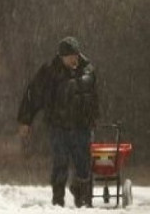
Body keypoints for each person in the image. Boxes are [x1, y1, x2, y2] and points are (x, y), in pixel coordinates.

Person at [17, 36, 99, 207]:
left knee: (84, 164)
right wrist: (26, 120)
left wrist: (93, 118)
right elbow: (33, 95)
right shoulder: (49, 72)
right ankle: (58, 201)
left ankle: (83, 198)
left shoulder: (88, 70)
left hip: (82, 127)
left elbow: (93, 97)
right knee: (60, 163)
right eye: (70, 56)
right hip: (58, 127)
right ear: (61, 56)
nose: (74, 59)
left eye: (76, 55)